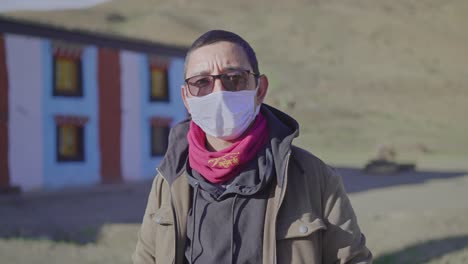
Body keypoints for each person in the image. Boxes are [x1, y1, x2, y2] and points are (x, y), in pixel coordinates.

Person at [133, 30, 372, 264]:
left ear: (260, 89)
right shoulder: (168, 181)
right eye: (201, 82)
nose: (219, 92)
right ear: (186, 98)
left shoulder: (315, 178)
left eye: (234, 78)